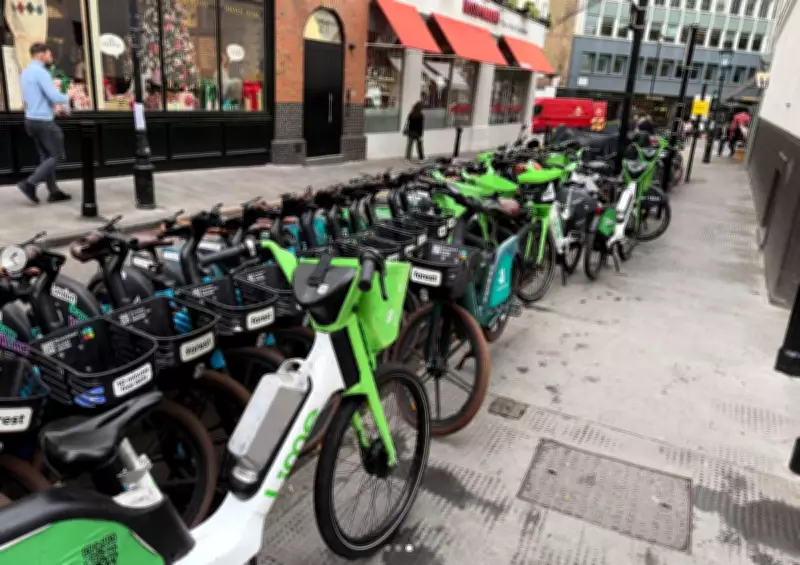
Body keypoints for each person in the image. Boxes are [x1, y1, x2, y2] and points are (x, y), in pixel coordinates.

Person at [17, 43, 71, 204]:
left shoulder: (25, 72)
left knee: (46, 157)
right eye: (49, 54)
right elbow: (53, 96)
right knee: (57, 155)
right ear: (41, 55)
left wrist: (54, 111)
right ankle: (30, 183)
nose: (50, 56)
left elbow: (38, 98)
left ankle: (54, 192)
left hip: (31, 120)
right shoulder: (41, 73)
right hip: (44, 122)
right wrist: (69, 96)